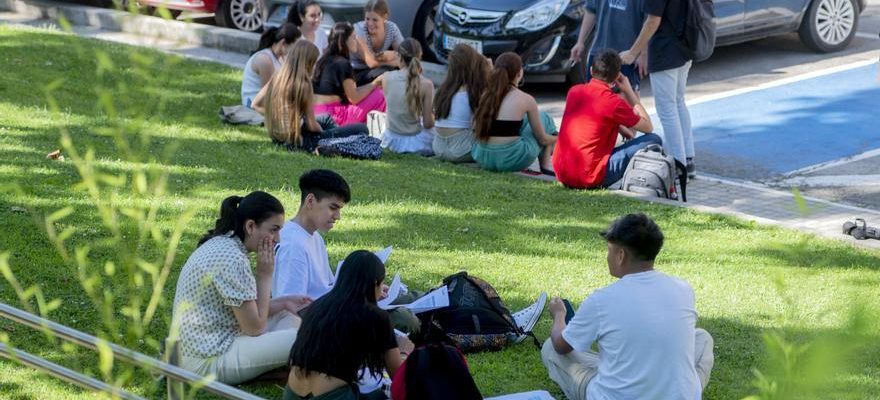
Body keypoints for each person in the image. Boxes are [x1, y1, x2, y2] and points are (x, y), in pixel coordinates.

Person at [541, 213, 715, 400]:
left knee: (550, 347)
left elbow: (561, 346)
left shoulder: (602, 300)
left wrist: (559, 315)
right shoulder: (683, 289)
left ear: (621, 255)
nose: (607, 256)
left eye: (609, 250)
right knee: (703, 338)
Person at [170, 191, 312, 384]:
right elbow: (255, 328)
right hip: (205, 360)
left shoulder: (226, 243)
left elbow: (248, 313)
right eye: (273, 229)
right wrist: (265, 274)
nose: (277, 239)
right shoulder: (232, 258)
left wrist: (284, 302)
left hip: (217, 340)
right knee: (306, 338)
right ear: (251, 226)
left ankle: (273, 368)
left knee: (287, 315)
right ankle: (273, 372)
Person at [274, 169, 421, 333]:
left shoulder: (314, 236)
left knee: (414, 298)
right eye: (333, 208)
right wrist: (357, 301)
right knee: (405, 319)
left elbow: (330, 287)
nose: (338, 216)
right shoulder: (293, 246)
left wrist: (365, 290)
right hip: (326, 323)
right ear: (310, 201)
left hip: (335, 310)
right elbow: (293, 309)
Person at [284, 250, 414, 400]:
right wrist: (404, 352)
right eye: (382, 283)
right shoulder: (376, 317)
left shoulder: (318, 306)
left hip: (292, 393)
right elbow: (397, 376)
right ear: (375, 284)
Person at [552, 49, 659, 189]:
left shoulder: (574, 91)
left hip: (562, 172)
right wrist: (629, 91)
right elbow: (648, 127)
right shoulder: (613, 102)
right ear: (616, 78)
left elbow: (594, 117)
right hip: (589, 177)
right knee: (654, 139)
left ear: (591, 70)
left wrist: (620, 128)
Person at [620, 0, 696, 177]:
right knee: (678, 102)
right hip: (685, 47)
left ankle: (678, 164)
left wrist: (633, 52)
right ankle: (688, 159)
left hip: (665, 51)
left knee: (667, 109)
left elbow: (653, 20)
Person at [252, 40, 369, 154]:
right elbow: (312, 125)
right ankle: (333, 140)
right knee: (362, 129)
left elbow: (255, 104)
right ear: (308, 63)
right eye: (314, 62)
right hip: (301, 141)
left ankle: (335, 137)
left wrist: (275, 118)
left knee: (325, 118)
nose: (315, 67)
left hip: (280, 138)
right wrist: (322, 133)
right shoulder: (304, 85)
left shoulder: (278, 77)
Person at [471, 52, 558, 174]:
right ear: (519, 73)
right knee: (544, 117)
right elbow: (542, 140)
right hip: (510, 159)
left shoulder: (486, 95)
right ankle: (545, 165)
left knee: (525, 122)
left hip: (482, 156)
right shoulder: (526, 99)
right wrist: (559, 139)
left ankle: (547, 159)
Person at [313, 22, 387, 126]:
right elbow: (354, 98)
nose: (356, 41)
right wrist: (375, 83)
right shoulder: (343, 63)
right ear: (343, 42)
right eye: (353, 37)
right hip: (334, 116)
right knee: (381, 95)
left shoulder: (323, 60)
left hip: (315, 112)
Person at [569, 0, 646, 92]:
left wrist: (643, 52)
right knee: (594, 99)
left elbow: (650, 21)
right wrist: (580, 41)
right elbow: (591, 11)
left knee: (627, 101)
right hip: (599, 53)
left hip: (627, 56)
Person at [432, 44, 488, 163]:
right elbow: (479, 126)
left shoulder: (443, 90)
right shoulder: (472, 91)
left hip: (438, 147)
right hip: (461, 149)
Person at [380, 38, 435, 155]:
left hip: (390, 140)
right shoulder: (426, 84)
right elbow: (428, 123)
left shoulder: (386, 77)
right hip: (415, 143)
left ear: (399, 56)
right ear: (419, 57)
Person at [241, 23, 301, 108]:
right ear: (283, 43)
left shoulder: (281, 57)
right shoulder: (265, 60)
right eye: (295, 47)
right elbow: (268, 96)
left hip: (270, 104)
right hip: (255, 106)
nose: (297, 51)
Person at [351, 0, 404, 86]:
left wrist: (394, 55)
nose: (370, 23)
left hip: (377, 69)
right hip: (356, 72)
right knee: (388, 72)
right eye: (367, 19)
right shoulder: (359, 31)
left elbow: (404, 54)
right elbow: (371, 63)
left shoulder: (392, 28)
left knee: (405, 70)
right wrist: (395, 61)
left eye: (375, 20)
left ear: (385, 17)